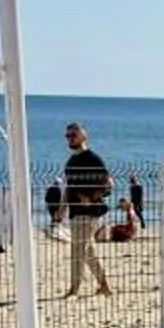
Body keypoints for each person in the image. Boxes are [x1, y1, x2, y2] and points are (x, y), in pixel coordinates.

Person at [58, 121, 114, 296]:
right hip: (75, 212)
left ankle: (74, 287)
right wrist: (62, 209)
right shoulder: (70, 162)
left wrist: (91, 198)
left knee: (77, 249)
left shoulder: (92, 158)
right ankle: (104, 284)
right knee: (87, 250)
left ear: (83, 136)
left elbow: (109, 184)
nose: (70, 139)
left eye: (73, 135)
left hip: (89, 212)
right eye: (67, 136)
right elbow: (69, 188)